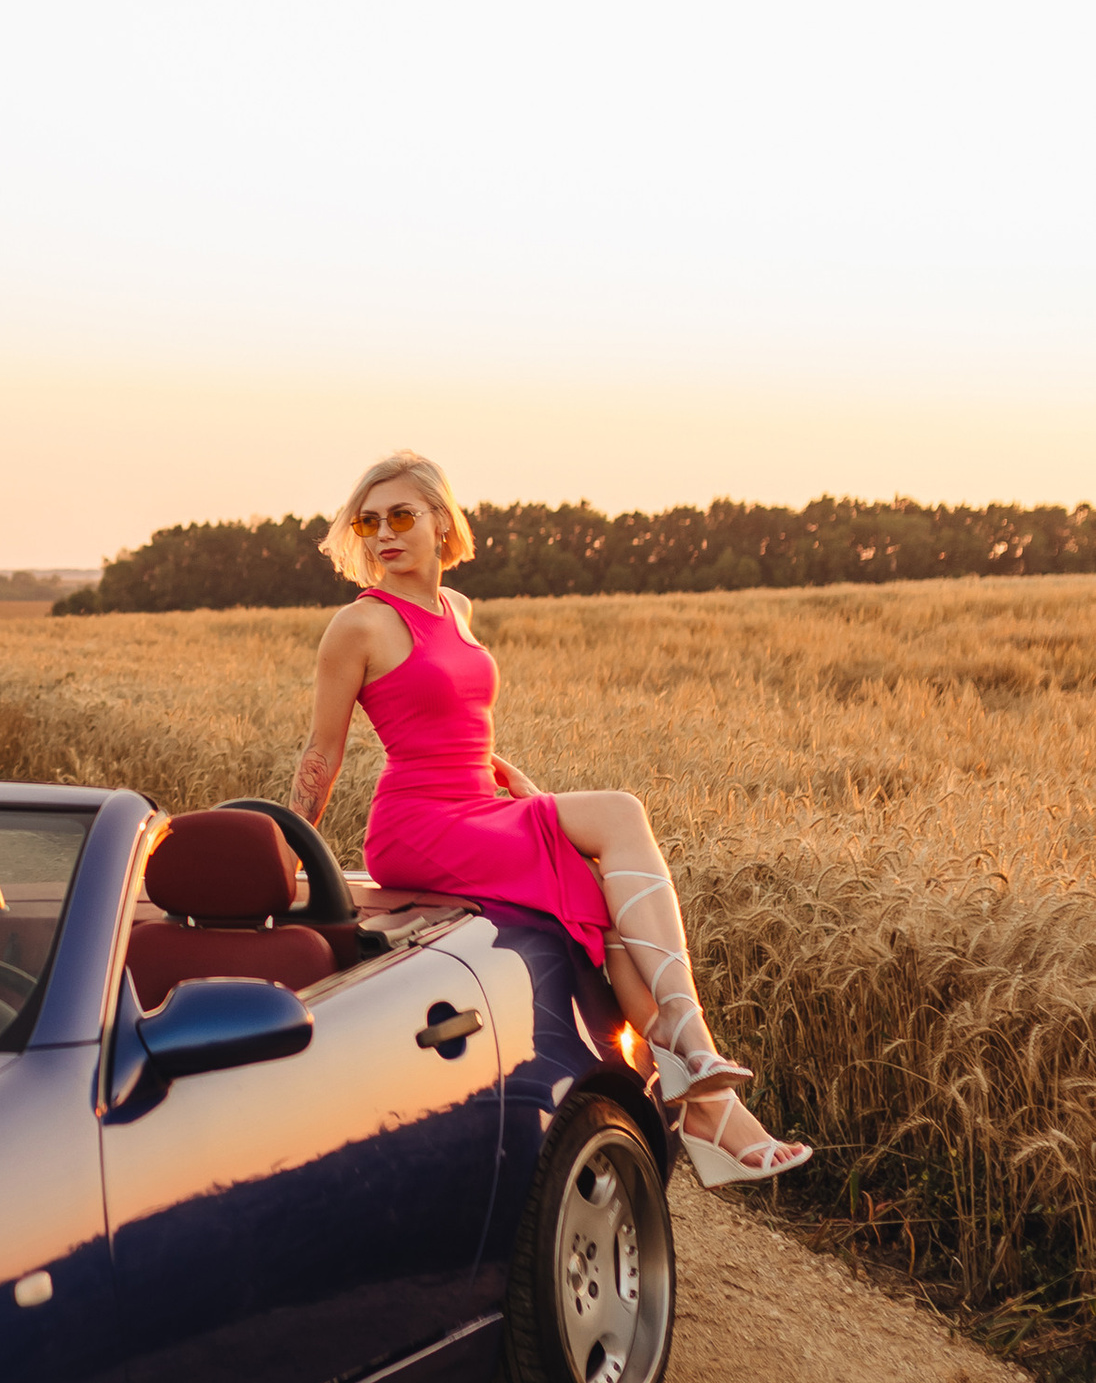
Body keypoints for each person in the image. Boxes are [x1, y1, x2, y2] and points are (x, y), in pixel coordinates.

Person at [288, 450, 809, 1187]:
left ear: (441, 520)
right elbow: (322, 753)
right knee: (620, 814)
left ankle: (708, 1103)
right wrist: (284, 850)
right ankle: (692, 1050)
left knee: (597, 899)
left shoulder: (456, 609)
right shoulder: (359, 625)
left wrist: (516, 784)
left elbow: (461, 721)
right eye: (368, 522)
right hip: (420, 826)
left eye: (401, 516)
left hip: (481, 804)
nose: (384, 534)